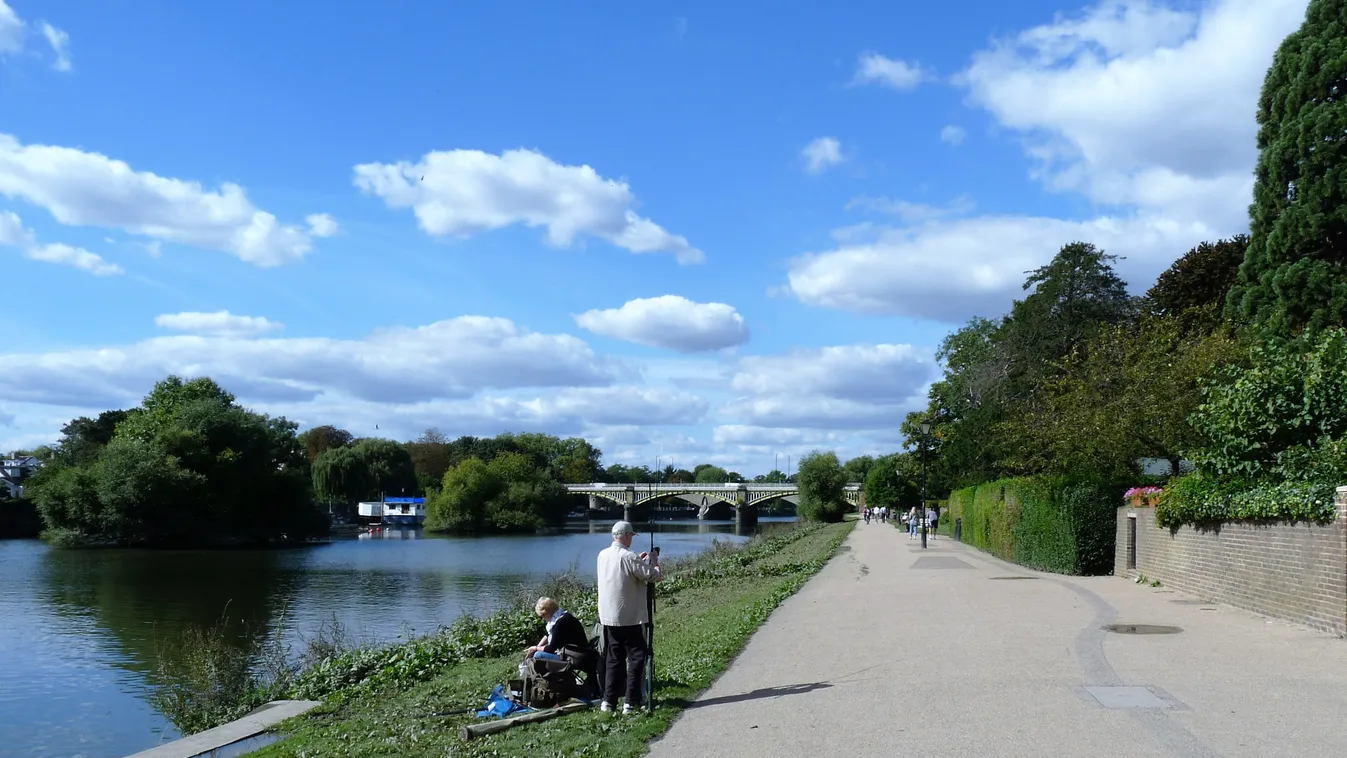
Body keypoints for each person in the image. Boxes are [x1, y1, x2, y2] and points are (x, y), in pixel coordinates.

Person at [597, 520, 663, 714]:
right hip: (629, 617)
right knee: (636, 657)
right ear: (626, 536)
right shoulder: (629, 556)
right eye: (631, 536)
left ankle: (608, 701)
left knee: (613, 659)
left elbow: (624, 572)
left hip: (609, 617)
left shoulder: (602, 555)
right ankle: (630, 700)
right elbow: (653, 576)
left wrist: (639, 561)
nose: (631, 540)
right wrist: (654, 561)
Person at [525, 596, 589, 661]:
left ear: (546, 613)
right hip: (577, 651)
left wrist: (535, 648)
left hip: (576, 655)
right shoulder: (562, 616)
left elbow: (551, 649)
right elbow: (548, 635)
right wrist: (536, 647)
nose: (542, 620)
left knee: (538, 655)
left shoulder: (560, 623)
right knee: (537, 652)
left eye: (541, 617)